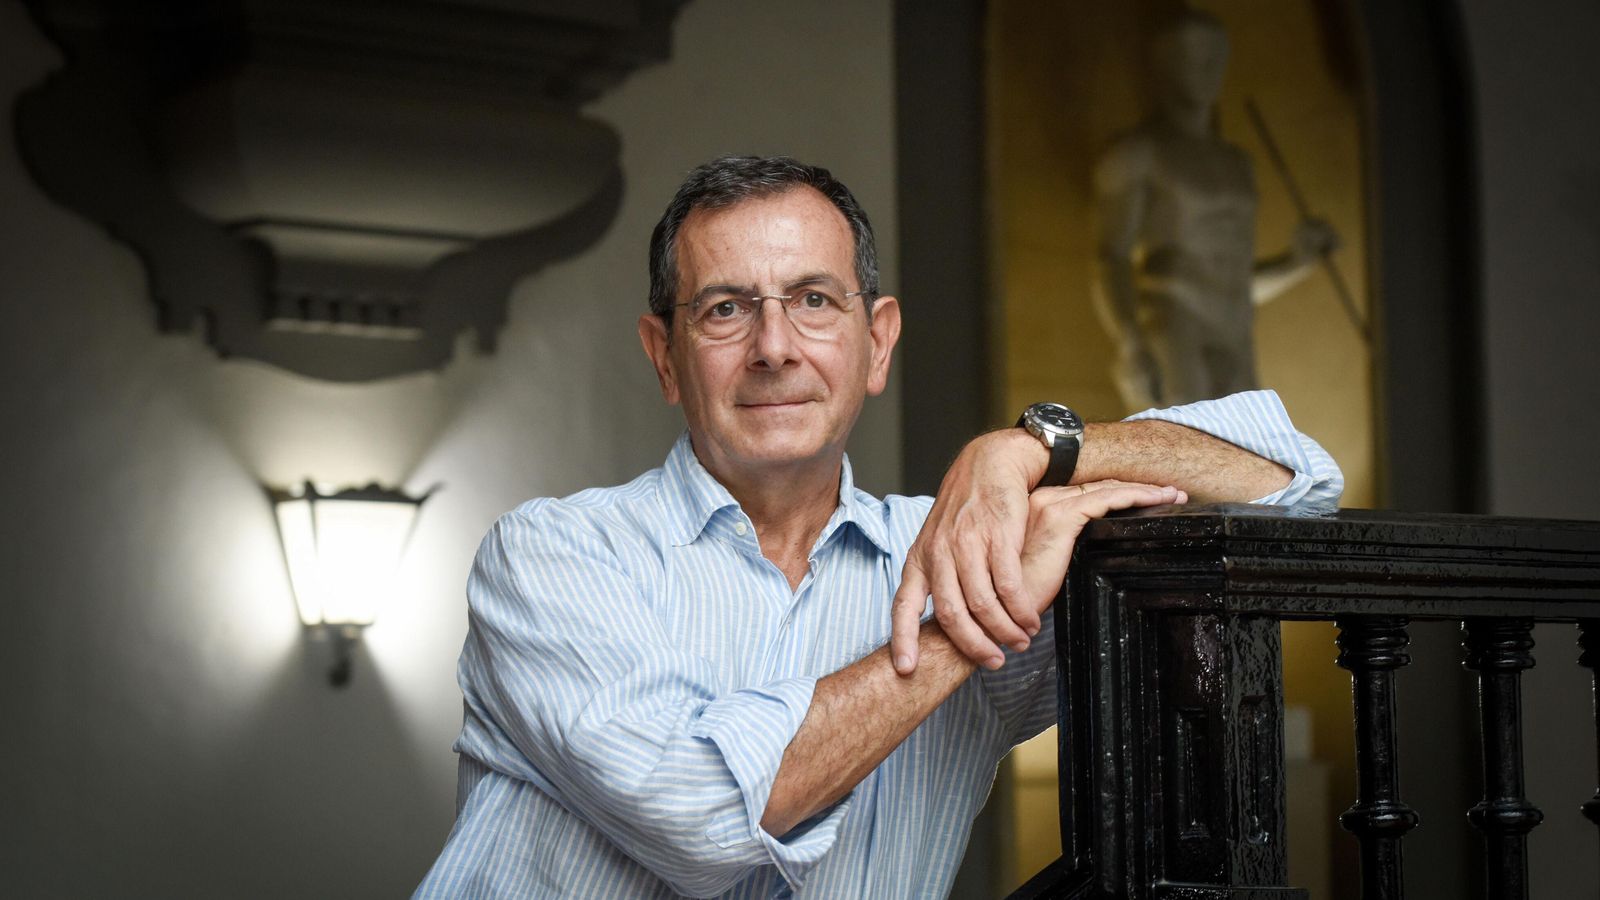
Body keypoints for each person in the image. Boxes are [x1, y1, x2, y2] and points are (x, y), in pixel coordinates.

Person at [415, 155, 1341, 898]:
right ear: (665, 356)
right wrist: (961, 631)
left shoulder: (960, 545)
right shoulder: (553, 555)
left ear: (879, 342)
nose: (775, 347)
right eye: (726, 309)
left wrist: (1026, 452)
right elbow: (701, 816)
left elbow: (1296, 479)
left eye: (814, 300)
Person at [1094, 9, 1339, 409]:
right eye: (1193, 56)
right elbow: (1112, 257)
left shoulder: (1238, 164)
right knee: (1180, 457)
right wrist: (1131, 344)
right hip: (1174, 326)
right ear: (1165, 66)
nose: (1208, 68)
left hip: (1234, 330)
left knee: (1245, 457)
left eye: (1215, 56)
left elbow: (1236, 285)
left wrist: (1298, 261)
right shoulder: (1138, 154)